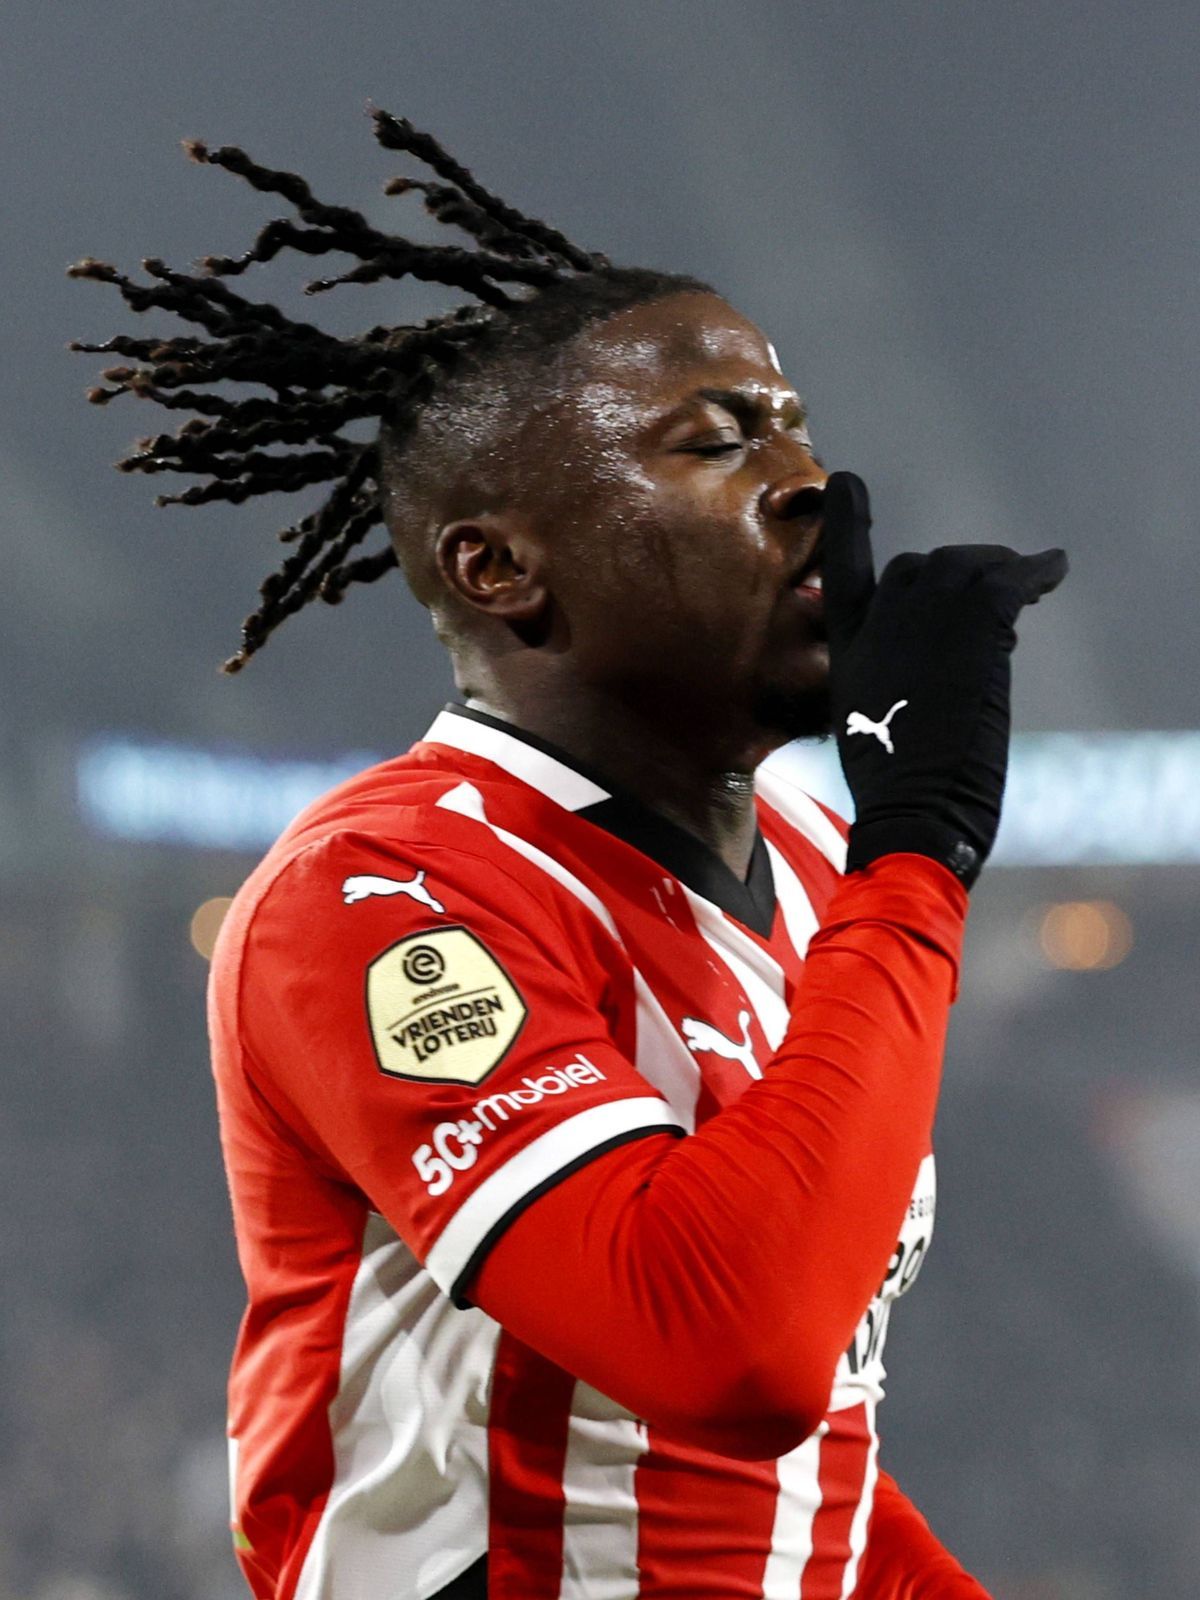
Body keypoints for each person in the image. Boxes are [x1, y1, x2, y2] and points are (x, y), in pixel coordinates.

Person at [73, 111, 1065, 1600]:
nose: (809, 485)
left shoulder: (808, 854)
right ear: (501, 565)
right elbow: (728, 1349)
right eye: (720, 440)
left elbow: (808, 1463)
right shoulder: (383, 891)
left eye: (797, 428)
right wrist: (920, 849)